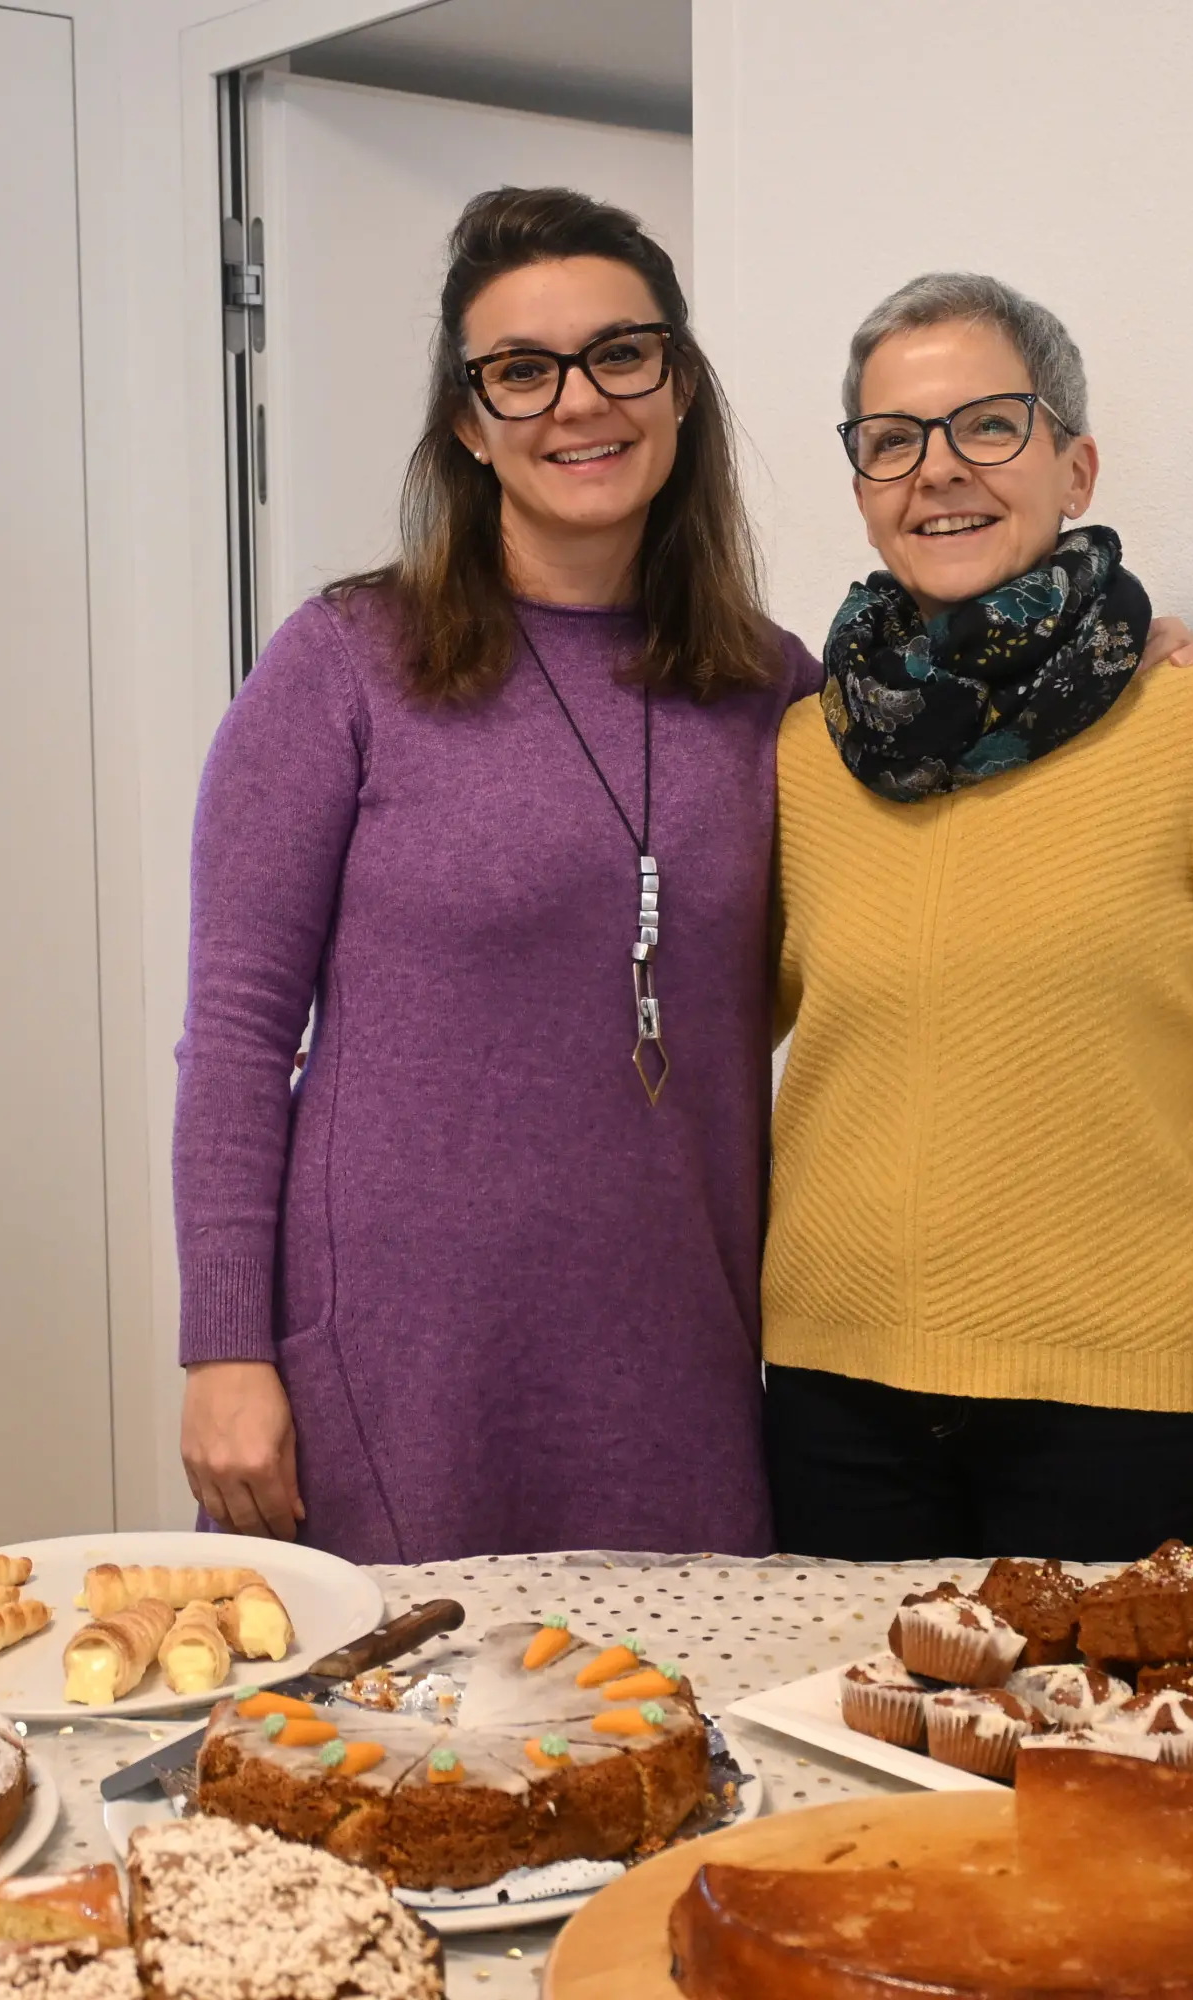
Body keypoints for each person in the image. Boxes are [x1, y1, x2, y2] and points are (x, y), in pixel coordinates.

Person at [170, 187, 799, 1561]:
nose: (580, 402)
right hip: (396, 1367)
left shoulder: (774, 688)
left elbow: (954, 821)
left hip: (677, 1365)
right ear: (468, 422)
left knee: (669, 1701)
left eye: (620, 354)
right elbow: (234, 1034)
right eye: (522, 370)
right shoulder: (345, 664)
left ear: (681, 385)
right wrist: (224, 1346)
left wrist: (1119, 658)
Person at [764, 272, 1193, 1567]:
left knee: (1114, 1715)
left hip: (1127, 1413)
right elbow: (693, 1043)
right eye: (892, 441)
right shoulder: (804, 753)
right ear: (862, 485)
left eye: (988, 426)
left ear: (1075, 469)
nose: (938, 471)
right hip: (836, 1402)